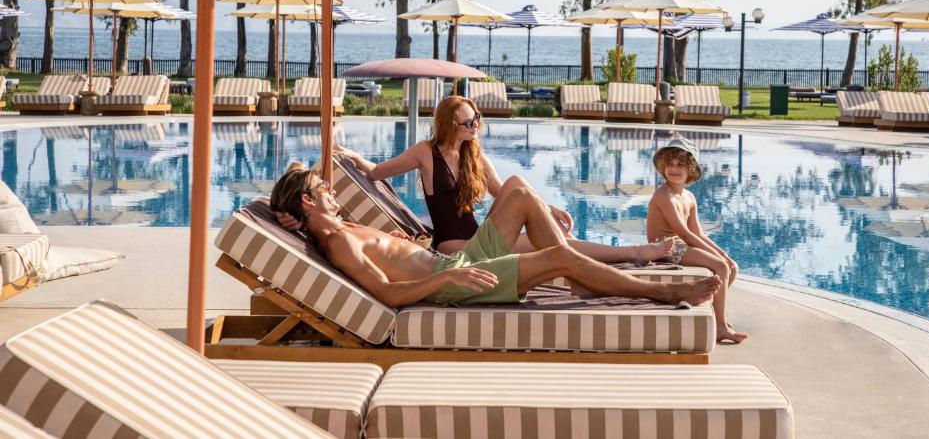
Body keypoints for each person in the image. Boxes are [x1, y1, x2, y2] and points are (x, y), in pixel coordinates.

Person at [270, 162, 721, 308]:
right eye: (321, 189)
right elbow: (387, 293)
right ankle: (660, 291)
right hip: (456, 278)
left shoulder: (338, 225)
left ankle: (583, 276)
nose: (330, 189)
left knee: (521, 192)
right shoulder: (337, 241)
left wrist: (403, 244)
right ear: (307, 204)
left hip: (453, 263)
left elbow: (296, 180)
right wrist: (446, 280)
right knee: (561, 258)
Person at [319, 95, 673, 264]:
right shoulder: (425, 152)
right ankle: (634, 253)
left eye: (475, 120)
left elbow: (505, 193)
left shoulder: (475, 155)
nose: (474, 126)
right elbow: (380, 171)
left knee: (549, 238)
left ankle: (633, 253)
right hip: (454, 246)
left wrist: (545, 206)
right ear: (447, 125)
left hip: (481, 237)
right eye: (466, 122)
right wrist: (350, 156)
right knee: (537, 216)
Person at [646, 138, 748, 344]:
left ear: (691, 169)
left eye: (680, 165)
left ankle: (713, 312)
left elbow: (698, 233)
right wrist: (719, 258)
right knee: (720, 267)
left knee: (731, 266)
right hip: (664, 247)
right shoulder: (665, 196)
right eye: (670, 164)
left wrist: (724, 253)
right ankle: (720, 326)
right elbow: (683, 233)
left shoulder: (689, 197)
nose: (674, 169)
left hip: (681, 245)